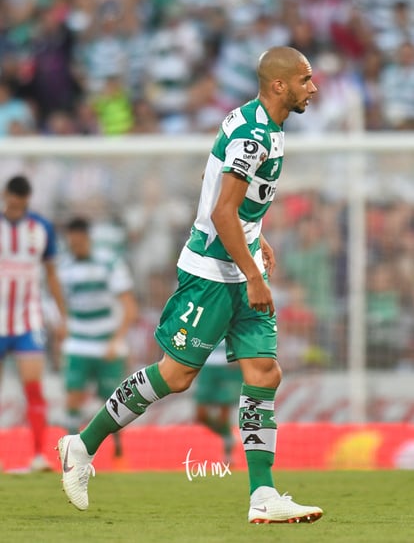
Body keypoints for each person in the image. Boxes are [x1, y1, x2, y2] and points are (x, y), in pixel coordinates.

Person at [57, 45, 323, 524]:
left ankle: (262, 495)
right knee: (176, 376)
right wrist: (252, 269)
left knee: (264, 372)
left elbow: (215, 183)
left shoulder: (263, 124)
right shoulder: (253, 134)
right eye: (305, 80)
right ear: (279, 85)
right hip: (211, 275)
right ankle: (82, 444)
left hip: (238, 265)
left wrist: (253, 237)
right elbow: (221, 209)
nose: (314, 87)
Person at [0, 175, 66, 471]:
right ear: (5, 196)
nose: (16, 204)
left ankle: (38, 455)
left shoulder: (41, 228)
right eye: (12, 198)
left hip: (29, 319)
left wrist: (62, 316)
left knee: (34, 388)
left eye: (21, 199)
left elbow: (51, 273)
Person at [59, 217, 138, 466]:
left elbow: (129, 306)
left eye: (80, 242)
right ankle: (71, 455)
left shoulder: (109, 262)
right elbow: (57, 303)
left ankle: (118, 451)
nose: (76, 246)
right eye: (72, 243)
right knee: (73, 396)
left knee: (114, 401)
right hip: (79, 341)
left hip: (106, 342)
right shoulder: (63, 266)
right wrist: (61, 326)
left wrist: (117, 341)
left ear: (87, 239)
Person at [194, 340, 242, 463]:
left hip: (228, 365)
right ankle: (227, 435)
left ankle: (228, 454)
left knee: (224, 411)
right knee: (200, 415)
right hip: (207, 365)